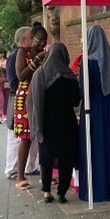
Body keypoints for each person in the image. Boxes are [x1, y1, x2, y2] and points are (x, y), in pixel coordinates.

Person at [78, 24, 110, 202]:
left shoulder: (86, 63)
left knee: (96, 150)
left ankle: (99, 190)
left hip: (94, 110)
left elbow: (82, 92)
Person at [28, 42, 80, 204]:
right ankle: (62, 192)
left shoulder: (40, 74)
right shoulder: (70, 77)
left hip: (47, 122)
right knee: (66, 157)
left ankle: (46, 192)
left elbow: (33, 101)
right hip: (66, 122)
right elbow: (75, 102)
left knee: (46, 157)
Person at [13, 24, 48, 190]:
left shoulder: (45, 54)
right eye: (39, 40)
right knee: (26, 138)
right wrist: (37, 60)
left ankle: (45, 174)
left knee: (43, 136)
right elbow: (21, 75)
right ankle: (20, 176)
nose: (42, 44)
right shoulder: (23, 52)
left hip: (41, 95)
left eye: (44, 41)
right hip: (26, 97)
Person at [4, 29, 39, 180]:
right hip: (19, 100)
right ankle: (12, 169)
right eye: (32, 37)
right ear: (24, 40)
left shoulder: (30, 54)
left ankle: (30, 167)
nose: (34, 40)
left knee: (30, 136)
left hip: (29, 98)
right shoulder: (15, 56)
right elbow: (14, 80)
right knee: (16, 137)